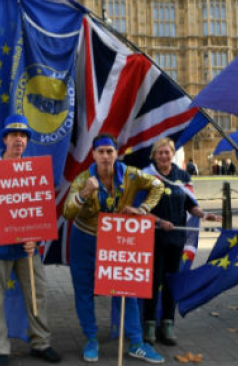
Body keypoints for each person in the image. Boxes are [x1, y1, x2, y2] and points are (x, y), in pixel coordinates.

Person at [0, 115, 60, 366]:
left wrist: (37, 237)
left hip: (27, 247)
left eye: (24, 135)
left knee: (38, 295)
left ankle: (41, 343)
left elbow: (42, 210)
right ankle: (0, 350)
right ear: (5, 139)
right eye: (14, 135)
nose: (19, 139)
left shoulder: (34, 170)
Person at [64, 133, 170, 364]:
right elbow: (67, 212)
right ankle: (91, 339)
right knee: (84, 290)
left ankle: (136, 343)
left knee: (126, 288)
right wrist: (84, 193)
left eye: (109, 152)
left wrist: (142, 210)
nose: (105, 156)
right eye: (100, 152)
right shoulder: (83, 179)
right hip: (85, 239)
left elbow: (158, 186)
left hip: (116, 238)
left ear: (116, 154)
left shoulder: (130, 174)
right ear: (93, 155)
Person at [142, 138, 220, 346]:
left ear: (172, 154)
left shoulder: (182, 176)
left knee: (171, 282)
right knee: (153, 282)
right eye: (160, 153)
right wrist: (159, 222)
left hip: (176, 239)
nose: (164, 156)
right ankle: (149, 323)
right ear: (154, 155)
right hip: (153, 238)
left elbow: (190, 205)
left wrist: (204, 214)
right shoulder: (146, 176)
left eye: (167, 152)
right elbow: (139, 209)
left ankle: (168, 323)